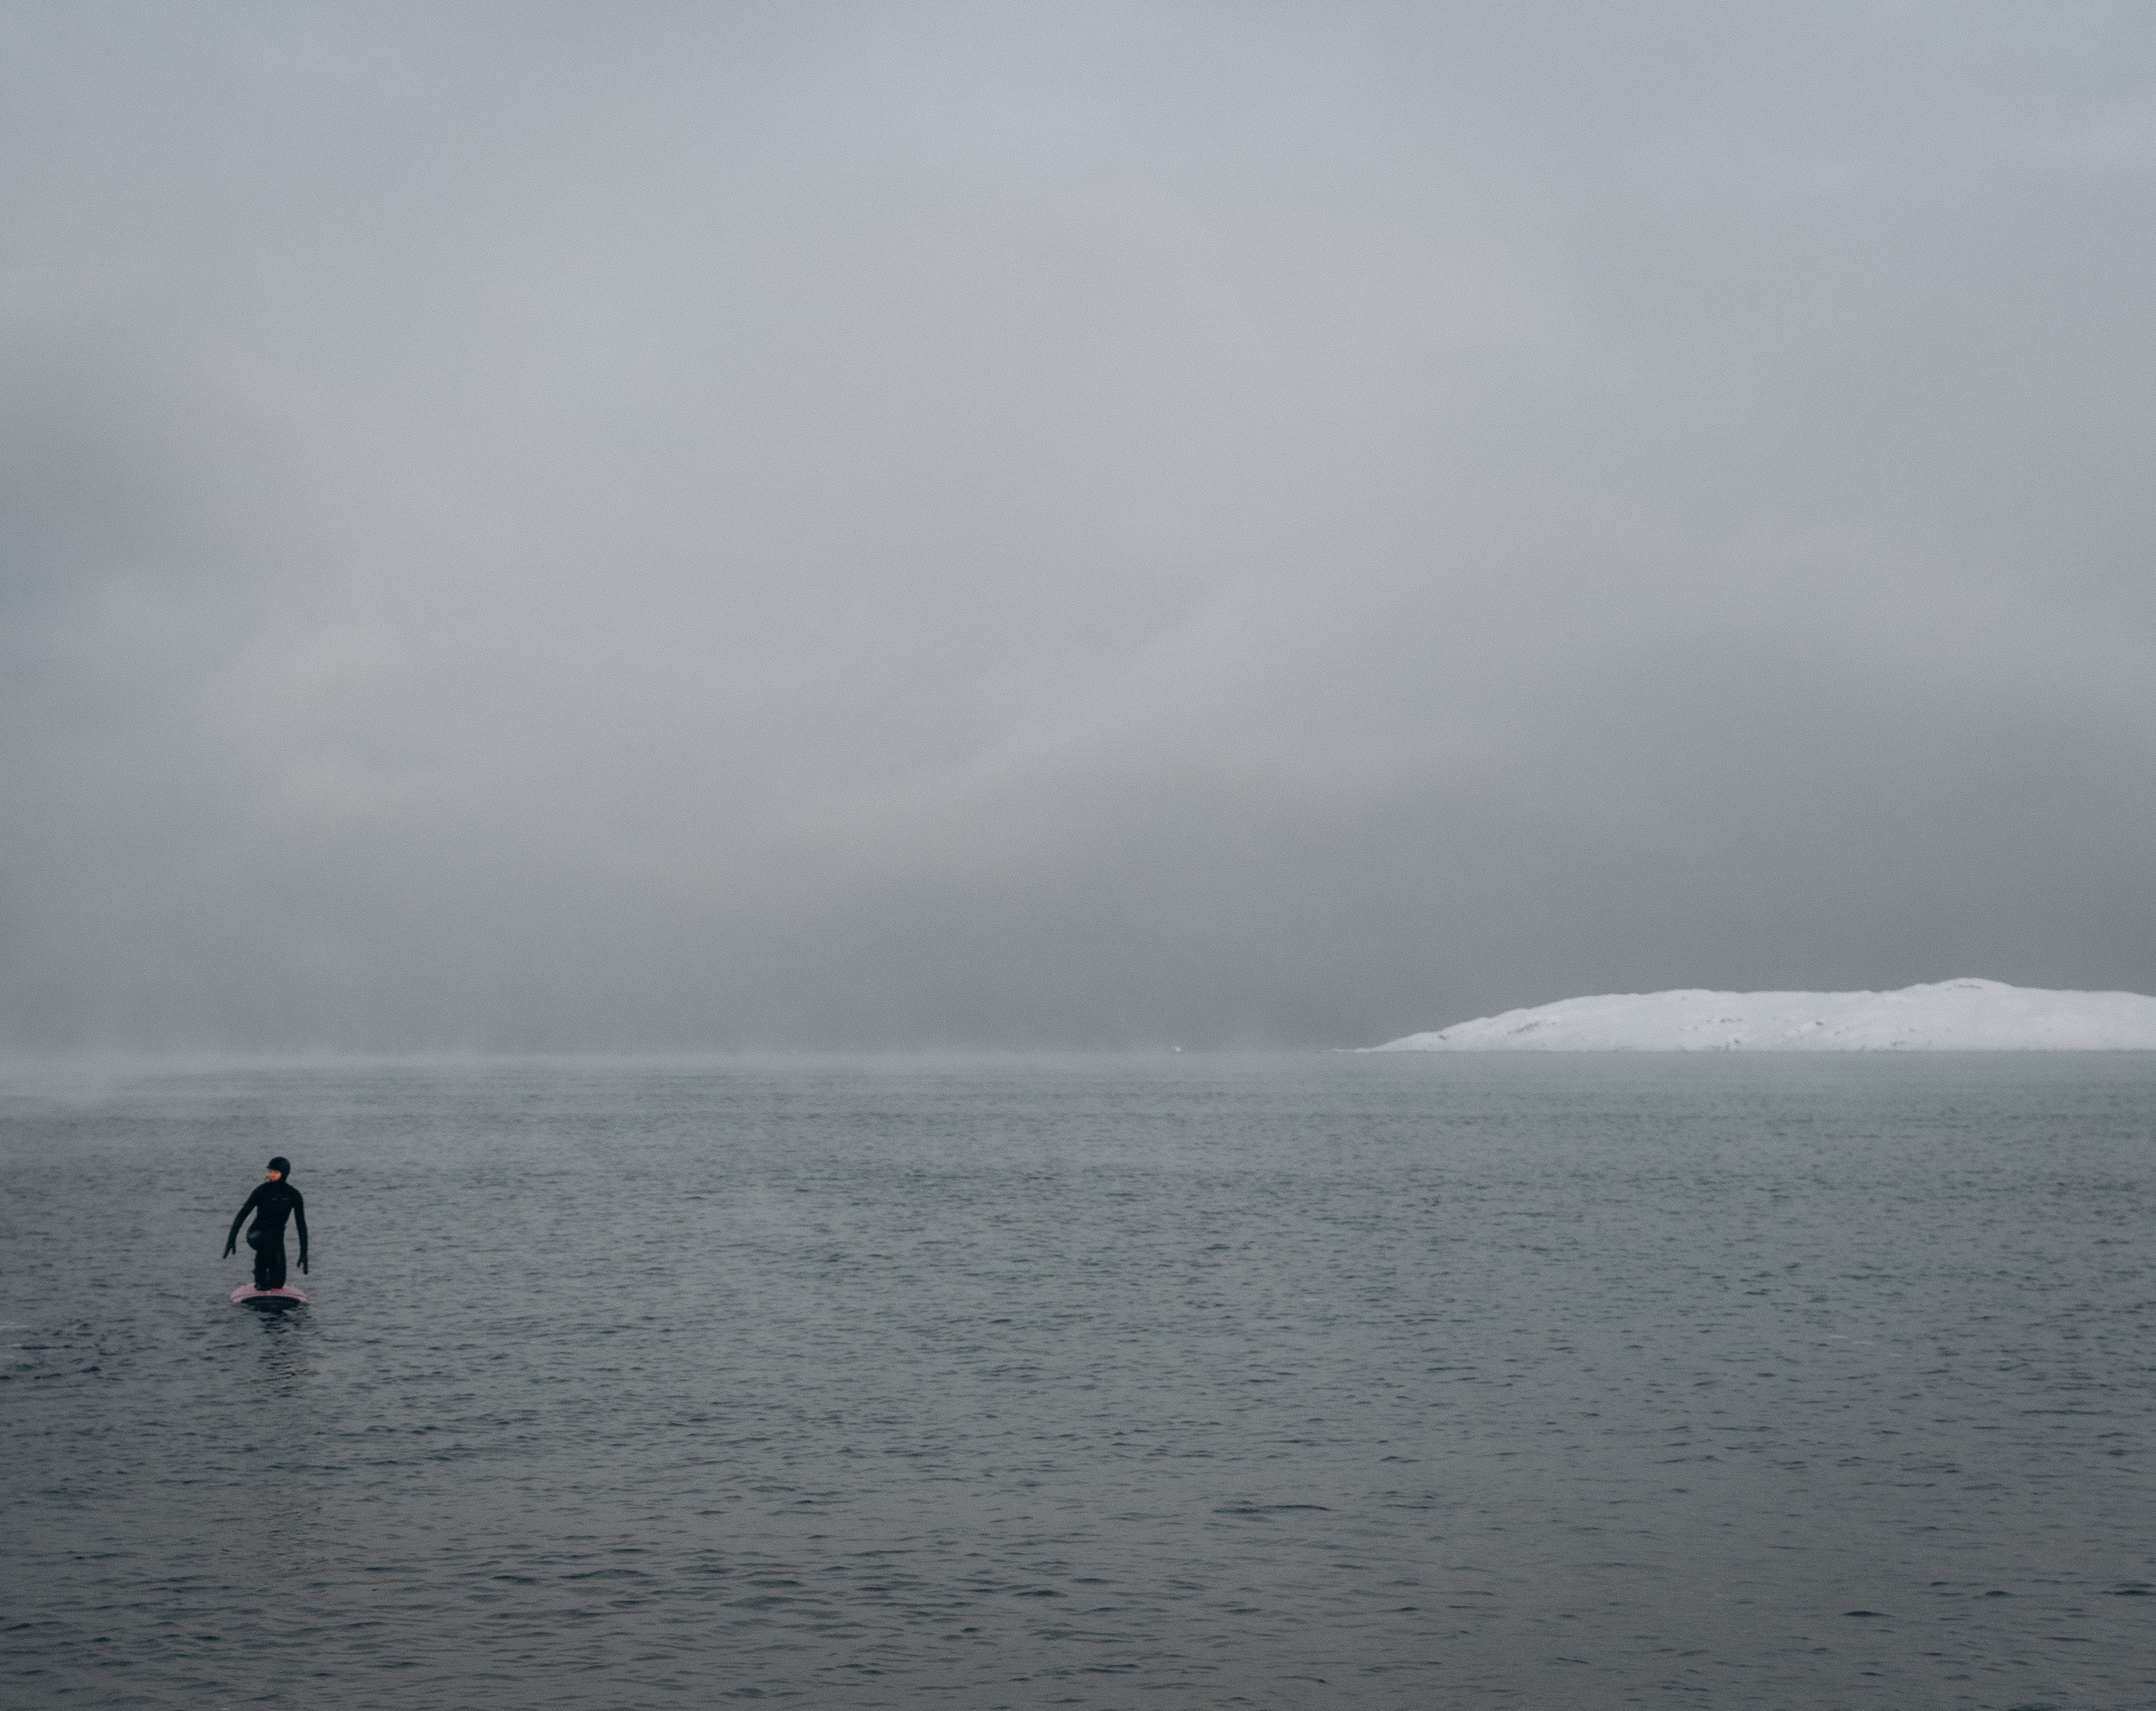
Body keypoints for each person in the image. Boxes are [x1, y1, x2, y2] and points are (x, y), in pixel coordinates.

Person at [225, 1156, 309, 1292]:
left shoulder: (293, 1195)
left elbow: (301, 1226)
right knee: (266, 1242)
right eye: (270, 1171)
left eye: (275, 1172)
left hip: (276, 1240)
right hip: (256, 1234)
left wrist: (304, 1252)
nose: (271, 1175)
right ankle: (260, 1276)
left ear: (284, 1174)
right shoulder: (261, 1191)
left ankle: (271, 1276)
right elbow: (242, 1214)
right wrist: (231, 1239)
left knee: (278, 1283)